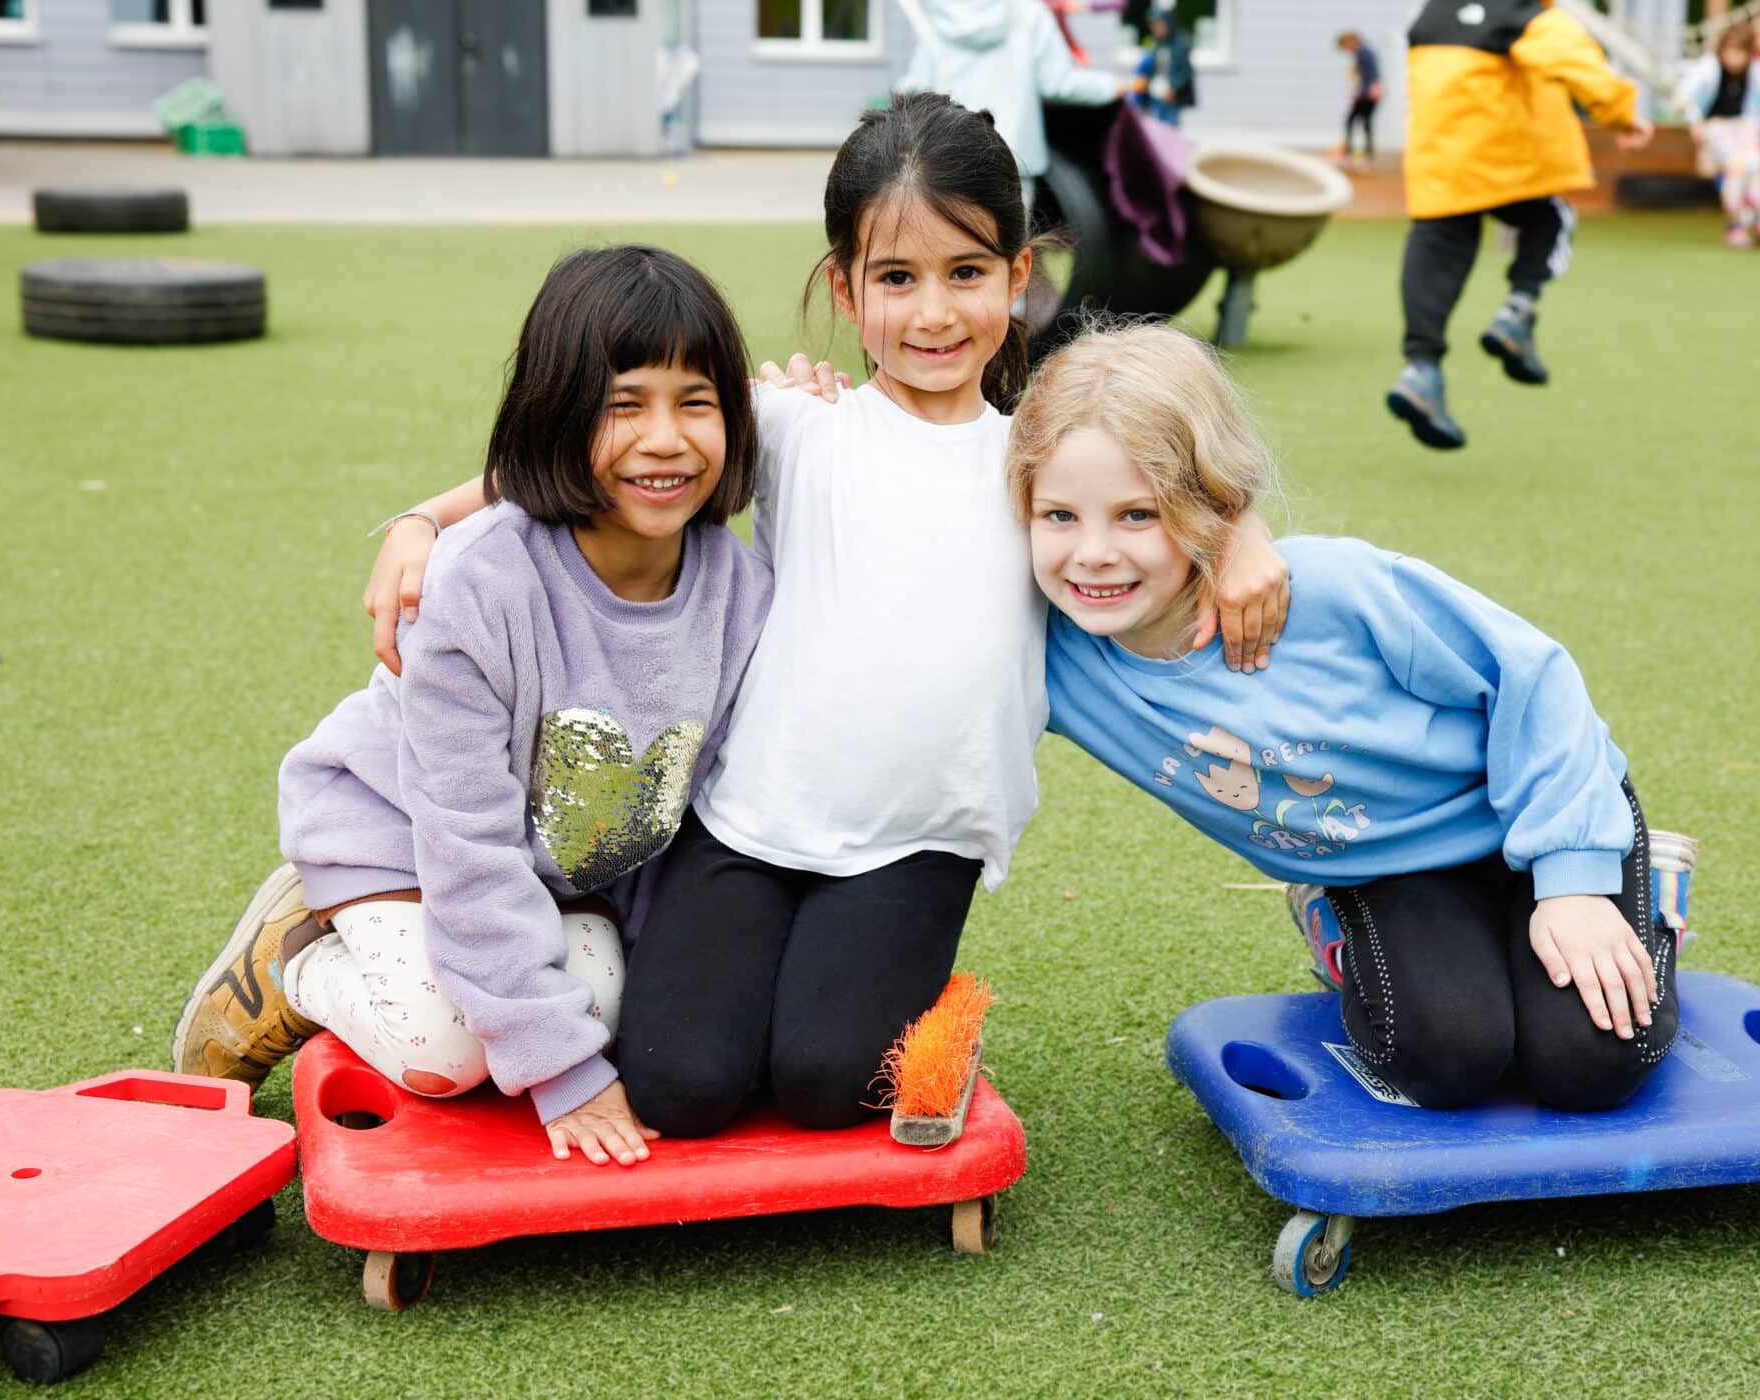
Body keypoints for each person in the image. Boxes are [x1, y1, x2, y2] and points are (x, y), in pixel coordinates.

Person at [358, 93, 1291, 1137]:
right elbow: (604, 444)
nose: (932, 312)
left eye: (966, 274)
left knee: (826, 1080)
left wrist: (1244, 529)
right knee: (679, 1086)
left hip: (921, 837)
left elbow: (1177, 470)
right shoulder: (799, 425)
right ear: (846, 289)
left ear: (1019, 277)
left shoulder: (1040, 455)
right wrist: (421, 520)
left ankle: (935, 1014)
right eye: (896, 279)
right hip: (747, 820)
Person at [171, 246, 774, 1167]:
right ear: (557, 417)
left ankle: (475, 985)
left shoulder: (740, 593)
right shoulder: (477, 585)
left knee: (603, 1008)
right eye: (624, 405)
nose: (666, 438)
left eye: (696, 402)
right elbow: (464, 845)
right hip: (400, 838)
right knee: (447, 1050)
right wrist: (563, 1071)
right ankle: (293, 964)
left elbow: (687, 810)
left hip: (551, 871)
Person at [1017, 321, 1679, 1110]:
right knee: (1445, 1059)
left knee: (1592, 1063)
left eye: (1136, 515)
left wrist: (1572, 884)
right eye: (1059, 516)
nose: (1092, 552)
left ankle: (1648, 899)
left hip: (1536, 808)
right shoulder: (1051, 658)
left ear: (1209, 500)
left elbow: (1532, 679)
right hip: (1383, 865)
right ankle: (1334, 924)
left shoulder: (1334, 590)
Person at [1388, 0, 1653, 452]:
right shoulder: (1522, 11)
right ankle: (1518, 310)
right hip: (1504, 162)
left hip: (1441, 164)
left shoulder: (1430, 14)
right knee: (1551, 217)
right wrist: (1621, 114)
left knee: (1435, 251)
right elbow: (1573, 56)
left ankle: (1421, 368)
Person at [899, 0, 1123, 213]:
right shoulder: (1029, 12)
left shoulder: (940, 14)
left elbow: (915, 89)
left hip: (949, 156)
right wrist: (1113, 86)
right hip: (1013, 157)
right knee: (1007, 246)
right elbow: (1059, 83)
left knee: (955, 245)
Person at [1675, 23, 1760, 249]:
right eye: (1729, 52)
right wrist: (1694, 122)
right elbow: (1687, 94)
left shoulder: (1756, 72)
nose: (1733, 58)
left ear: (1749, 53)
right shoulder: (1709, 67)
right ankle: (1735, 226)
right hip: (1716, 126)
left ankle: (1759, 216)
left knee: (1756, 166)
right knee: (1736, 169)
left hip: (1745, 126)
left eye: (1739, 53)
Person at [1132, 3, 1196, 126]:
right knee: (1156, 126)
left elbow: (1184, 70)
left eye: (1159, 25)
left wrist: (1174, 88)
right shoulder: (1157, 43)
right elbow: (1151, 66)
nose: (1156, 29)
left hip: (1171, 94)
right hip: (1155, 92)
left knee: (1170, 126)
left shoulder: (1181, 43)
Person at [1334, 31, 1383, 171]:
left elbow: (1371, 73)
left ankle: (1358, 156)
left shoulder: (1364, 53)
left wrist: (1365, 90)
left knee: (1358, 122)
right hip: (1366, 91)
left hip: (1367, 93)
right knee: (1361, 122)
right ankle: (1359, 156)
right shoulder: (1362, 53)